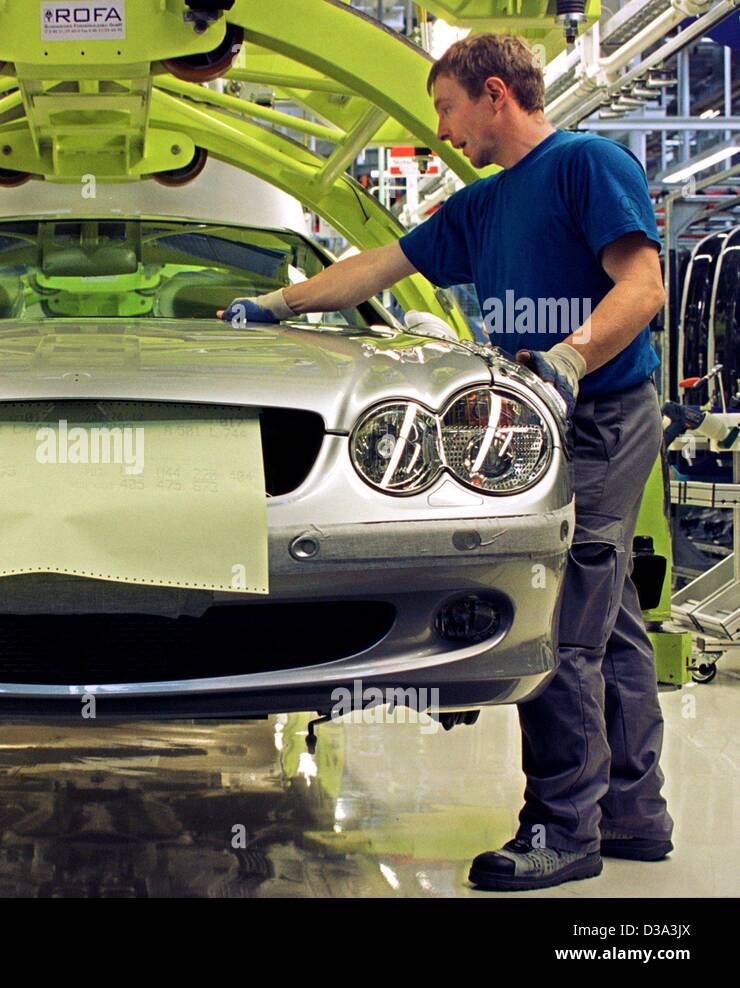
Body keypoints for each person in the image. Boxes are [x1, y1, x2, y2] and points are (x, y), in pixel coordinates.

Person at [219, 33, 673, 892]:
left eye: (446, 108)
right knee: (608, 615)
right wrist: (273, 304)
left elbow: (642, 286)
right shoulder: (481, 207)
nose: (441, 131)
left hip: (603, 414)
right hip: (539, 421)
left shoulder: (586, 164)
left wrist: (571, 359)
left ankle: (561, 829)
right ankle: (633, 813)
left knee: (561, 613)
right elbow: (373, 270)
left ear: (494, 93)